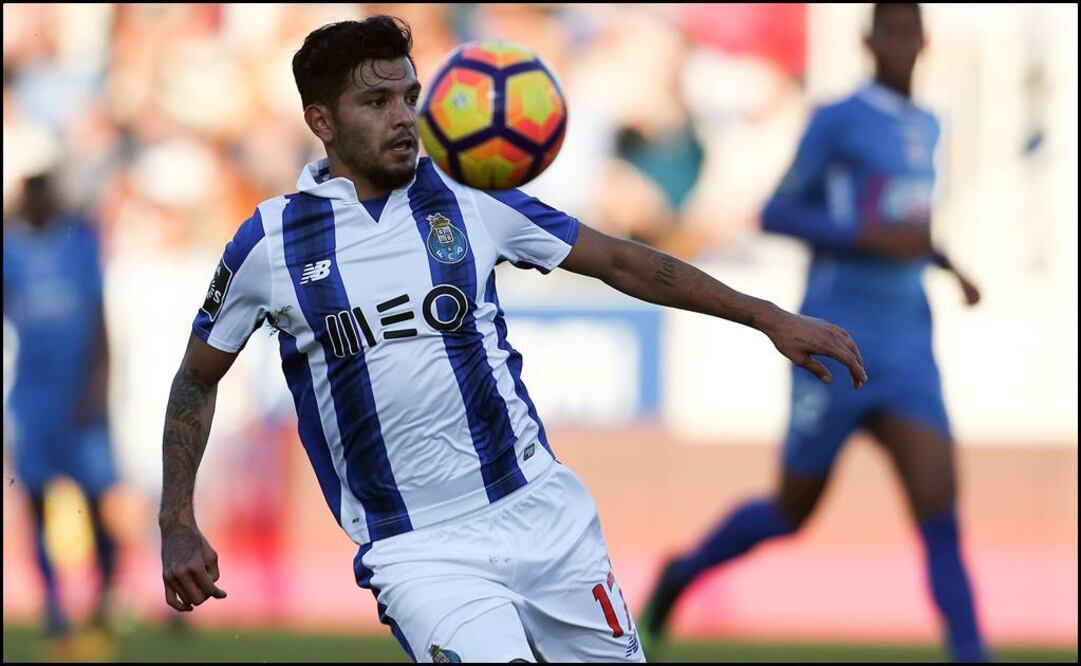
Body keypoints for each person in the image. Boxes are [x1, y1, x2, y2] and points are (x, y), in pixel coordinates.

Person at [157, 16, 866, 663]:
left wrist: (767, 316)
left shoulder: (469, 196)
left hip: (541, 514)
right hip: (417, 549)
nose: (403, 117)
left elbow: (621, 260)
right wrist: (178, 518)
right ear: (322, 122)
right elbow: (197, 377)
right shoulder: (272, 243)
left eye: (409, 97)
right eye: (376, 105)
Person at [640, 4, 987, 662]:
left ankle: (972, 653)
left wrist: (948, 266)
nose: (899, 43)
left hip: (907, 343)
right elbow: (775, 211)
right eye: (888, 31)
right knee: (790, 512)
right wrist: (864, 238)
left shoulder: (929, 123)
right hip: (833, 336)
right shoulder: (837, 119)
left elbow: (906, 226)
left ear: (924, 40)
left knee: (938, 509)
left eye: (909, 31)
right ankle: (679, 576)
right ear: (866, 40)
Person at [3, 171, 120, 638]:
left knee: (95, 500)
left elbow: (99, 316)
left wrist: (99, 384)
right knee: (35, 500)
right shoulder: (11, 249)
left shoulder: (79, 244)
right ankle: (52, 600)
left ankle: (105, 591)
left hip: (79, 395)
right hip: (32, 397)